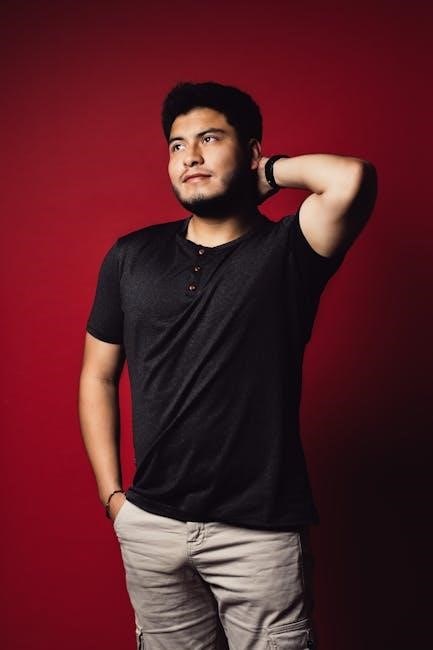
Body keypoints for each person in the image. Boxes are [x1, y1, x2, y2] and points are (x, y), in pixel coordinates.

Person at [78, 80, 377, 649]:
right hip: (151, 526)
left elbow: (351, 178)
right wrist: (113, 497)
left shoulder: (291, 249)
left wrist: (270, 173)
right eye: (177, 145)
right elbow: (97, 374)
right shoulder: (130, 256)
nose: (189, 156)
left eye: (210, 139)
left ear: (252, 150)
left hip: (259, 533)